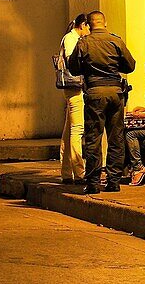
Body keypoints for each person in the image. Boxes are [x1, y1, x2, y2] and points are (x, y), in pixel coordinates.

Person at [67, 10, 135, 194]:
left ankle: (94, 182)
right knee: (116, 137)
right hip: (115, 91)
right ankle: (114, 181)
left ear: (88, 25)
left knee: (93, 138)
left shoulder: (84, 43)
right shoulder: (116, 41)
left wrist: (88, 68)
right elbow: (130, 65)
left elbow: (72, 68)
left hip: (95, 92)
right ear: (105, 23)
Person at [57, 14, 90, 184]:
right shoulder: (71, 39)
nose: (89, 31)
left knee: (69, 130)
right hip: (74, 88)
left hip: (73, 89)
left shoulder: (70, 37)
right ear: (82, 25)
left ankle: (66, 171)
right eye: (88, 27)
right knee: (77, 130)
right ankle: (79, 172)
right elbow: (72, 61)